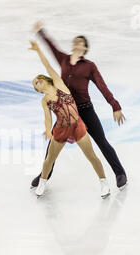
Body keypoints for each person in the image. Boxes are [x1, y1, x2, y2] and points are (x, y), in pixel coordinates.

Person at [31, 21, 128, 190]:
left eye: (81, 42)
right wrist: (41, 32)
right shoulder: (64, 59)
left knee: (102, 142)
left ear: (85, 48)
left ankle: (120, 173)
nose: (76, 42)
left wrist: (115, 105)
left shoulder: (89, 66)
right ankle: (44, 176)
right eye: (75, 40)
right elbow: (51, 47)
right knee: (51, 148)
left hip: (84, 109)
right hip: (65, 111)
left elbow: (102, 86)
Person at [29, 40, 110, 198]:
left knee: (91, 156)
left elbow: (47, 65)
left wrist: (38, 50)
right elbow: (47, 118)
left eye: (37, 80)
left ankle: (104, 183)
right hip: (61, 129)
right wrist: (47, 130)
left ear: (45, 79)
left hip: (77, 125)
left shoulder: (59, 84)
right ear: (38, 90)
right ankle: (43, 182)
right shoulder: (44, 100)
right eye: (34, 84)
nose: (36, 82)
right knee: (49, 159)